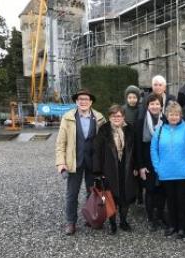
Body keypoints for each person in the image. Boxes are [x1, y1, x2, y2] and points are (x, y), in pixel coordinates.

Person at [55, 89, 106, 235]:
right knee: (72, 194)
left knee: (92, 193)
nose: (83, 101)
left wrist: (104, 163)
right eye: (80, 99)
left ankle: (90, 217)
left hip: (93, 163)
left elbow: (105, 142)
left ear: (91, 102)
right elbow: (60, 143)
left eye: (86, 99)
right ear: (76, 102)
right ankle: (71, 222)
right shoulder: (68, 117)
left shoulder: (100, 118)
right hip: (74, 162)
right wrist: (60, 163)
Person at [150, 101, 185, 239]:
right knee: (170, 201)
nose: (174, 117)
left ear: (180, 115)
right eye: (171, 114)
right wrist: (157, 167)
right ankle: (172, 225)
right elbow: (153, 149)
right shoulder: (160, 129)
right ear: (166, 116)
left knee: (181, 201)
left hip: (183, 172)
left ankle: (182, 227)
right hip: (166, 172)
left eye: (176, 114)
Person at [93, 105, 138, 234]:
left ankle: (123, 221)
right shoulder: (104, 130)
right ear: (109, 117)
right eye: (113, 116)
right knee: (110, 196)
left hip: (127, 167)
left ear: (123, 116)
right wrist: (98, 172)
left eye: (119, 116)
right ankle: (112, 224)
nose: (116, 118)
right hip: (109, 168)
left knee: (126, 195)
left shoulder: (130, 129)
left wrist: (136, 166)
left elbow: (135, 150)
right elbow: (97, 151)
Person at [136, 93, 166, 231]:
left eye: (157, 103)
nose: (155, 106)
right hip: (147, 161)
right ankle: (151, 218)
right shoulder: (141, 120)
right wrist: (140, 166)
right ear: (147, 106)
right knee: (150, 190)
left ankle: (160, 215)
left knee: (161, 190)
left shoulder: (165, 120)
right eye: (152, 104)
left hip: (163, 160)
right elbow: (138, 145)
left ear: (161, 105)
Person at [122, 85, 144, 204]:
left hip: (138, 142)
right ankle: (131, 193)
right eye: (129, 97)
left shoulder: (141, 109)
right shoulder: (123, 109)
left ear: (138, 98)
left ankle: (140, 193)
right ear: (126, 98)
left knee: (138, 167)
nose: (132, 100)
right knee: (129, 169)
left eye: (134, 97)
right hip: (127, 143)